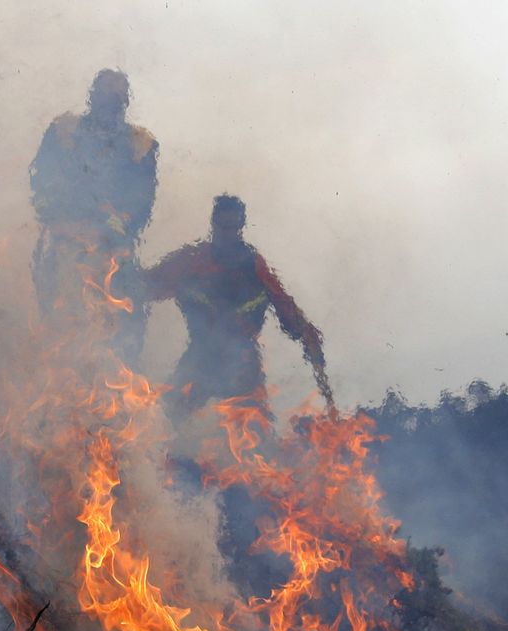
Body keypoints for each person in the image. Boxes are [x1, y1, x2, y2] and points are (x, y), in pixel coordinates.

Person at [142, 195, 333, 422]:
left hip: (243, 364)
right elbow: (147, 286)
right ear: (213, 225)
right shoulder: (192, 261)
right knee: (165, 418)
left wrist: (310, 341)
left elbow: (288, 312)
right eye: (223, 227)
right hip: (201, 357)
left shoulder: (255, 268)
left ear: (242, 226)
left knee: (256, 434)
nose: (228, 234)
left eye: (233, 228)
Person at [29, 69, 158, 365]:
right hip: (66, 246)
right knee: (60, 323)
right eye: (103, 94)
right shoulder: (64, 131)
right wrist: (60, 220)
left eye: (116, 96)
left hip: (113, 251)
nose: (109, 102)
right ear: (92, 95)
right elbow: (42, 181)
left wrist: (115, 226)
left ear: (125, 101)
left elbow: (142, 199)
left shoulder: (140, 143)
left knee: (122, 322)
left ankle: (116, 387)